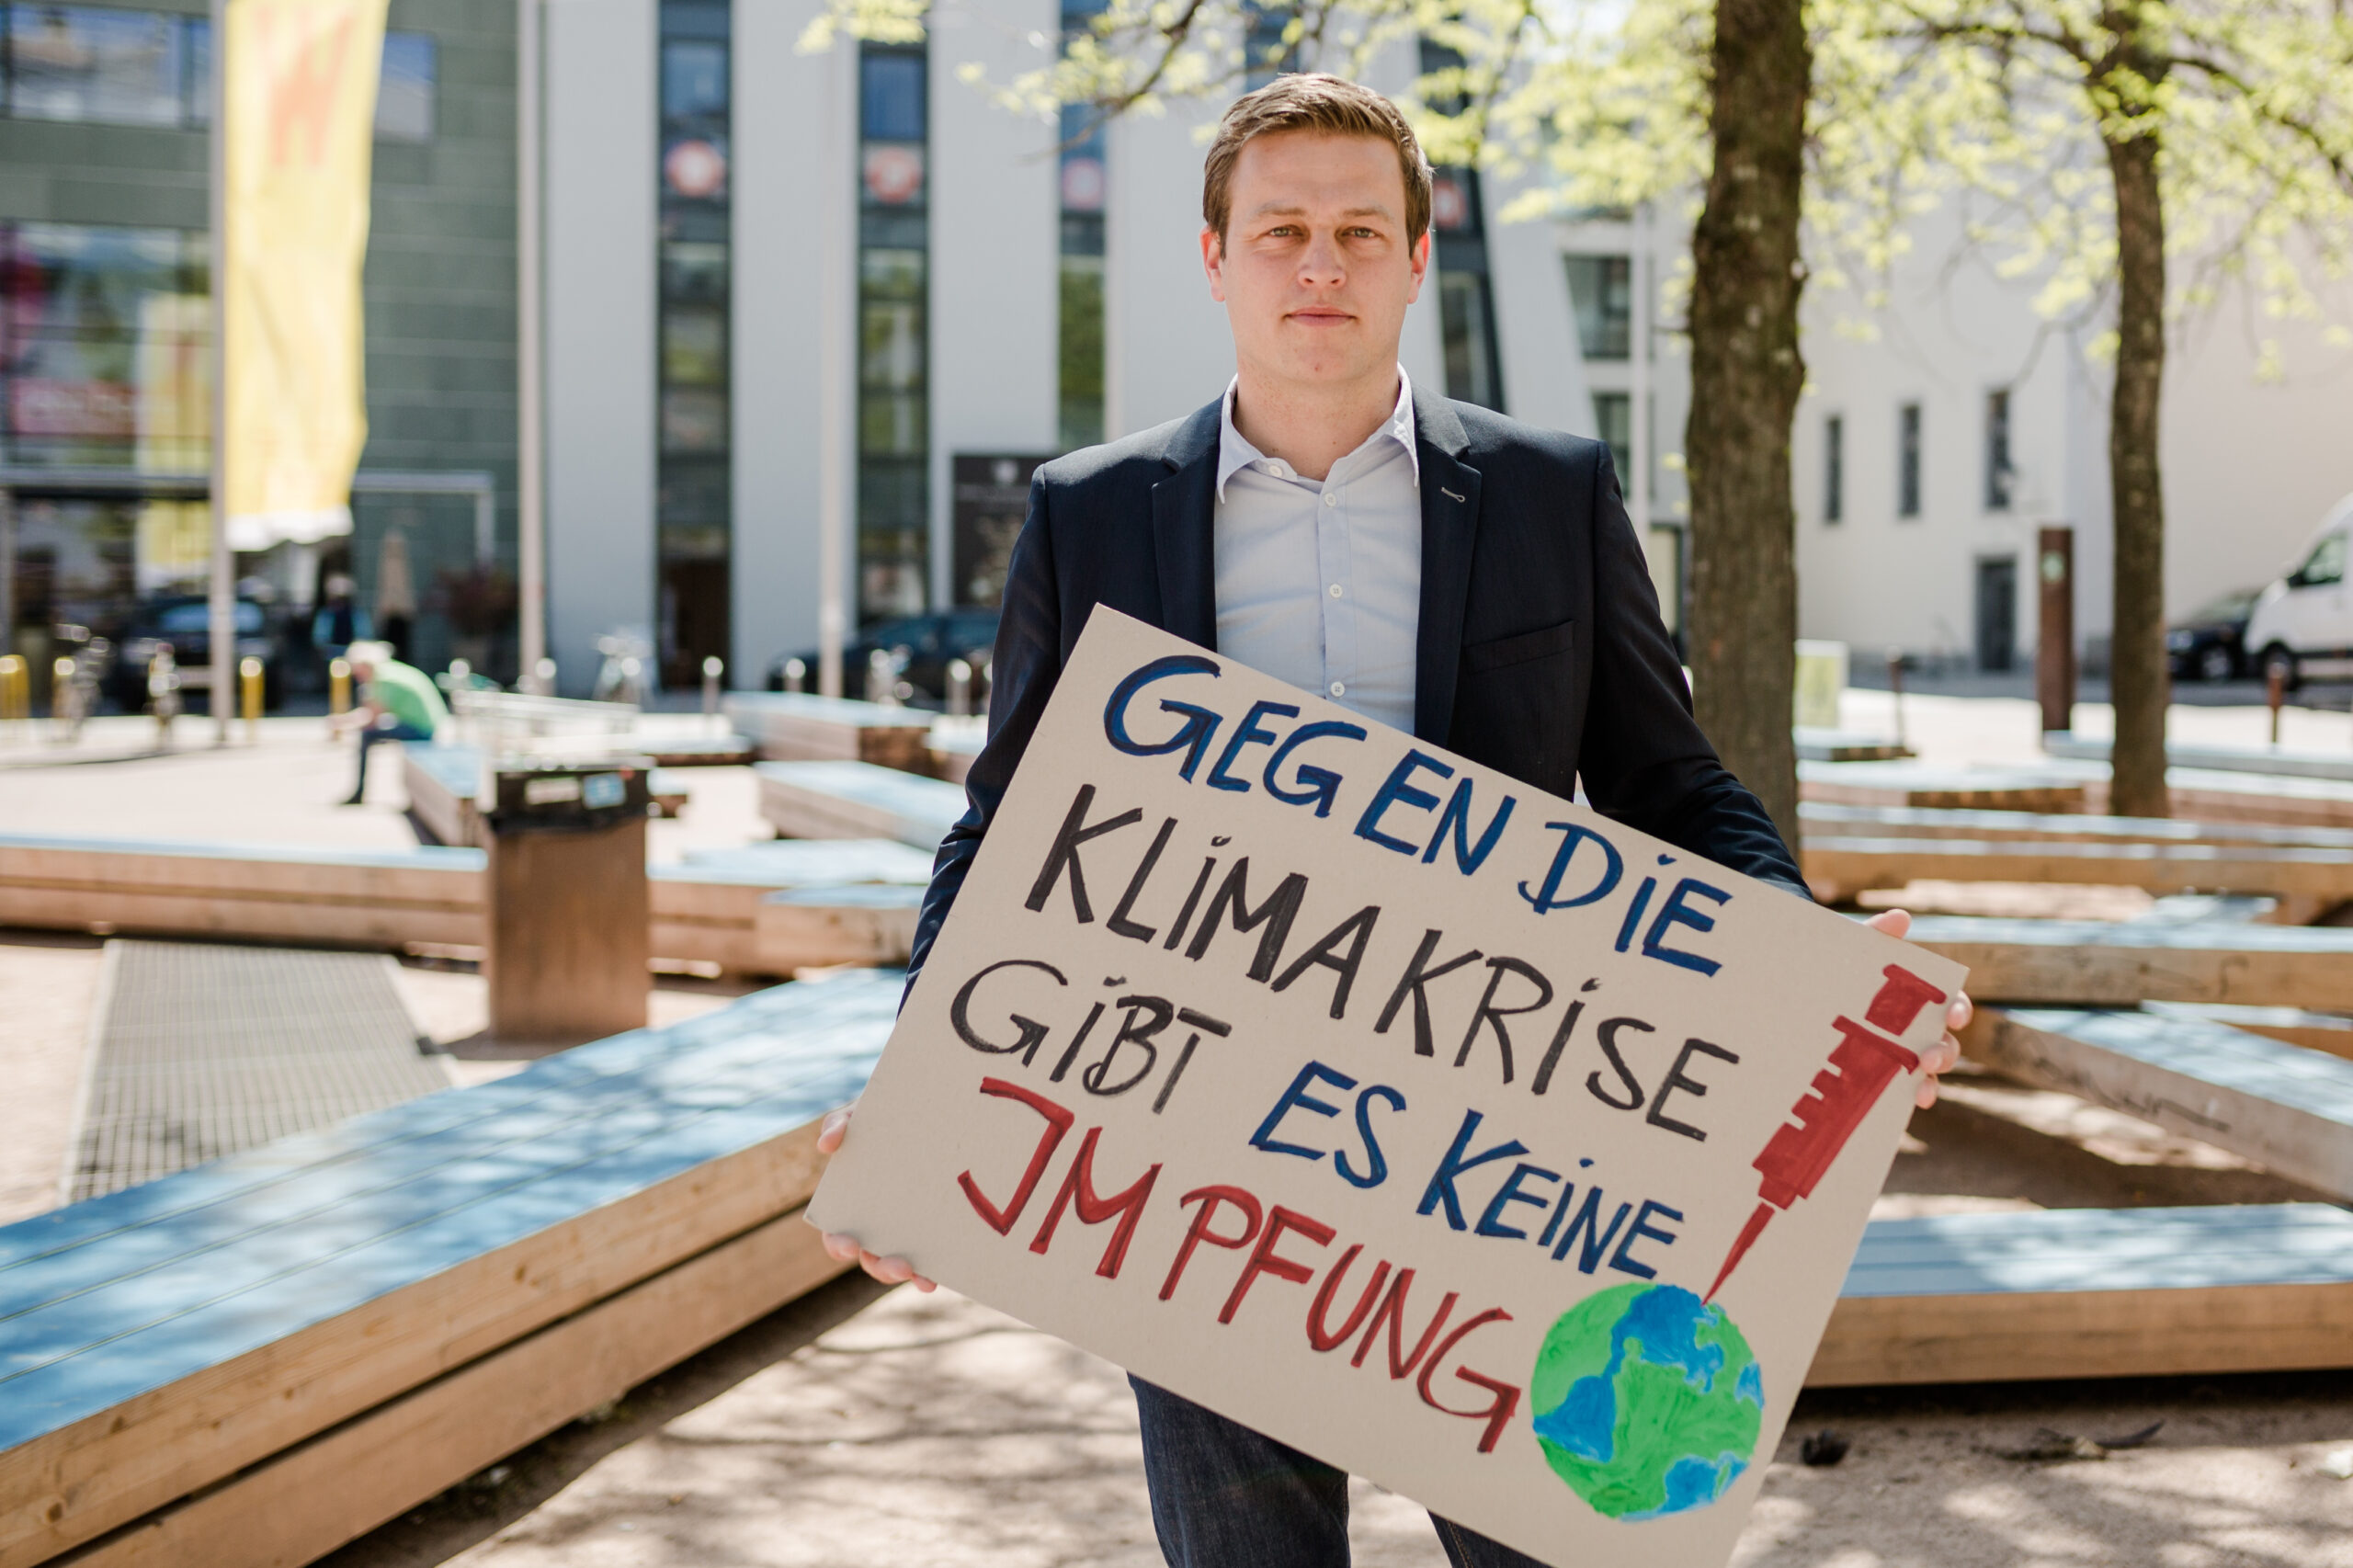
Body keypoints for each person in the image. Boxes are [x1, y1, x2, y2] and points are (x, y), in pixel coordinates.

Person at [816, 74, 1971, 1568]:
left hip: (1495, 1160)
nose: (1321, 263)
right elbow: (1012, 828)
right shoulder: (1090, 515)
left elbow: (1666, 779)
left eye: (1362, 231)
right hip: (1200, 1150)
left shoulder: (1553, 493)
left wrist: (1806, 968)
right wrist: (925, 1067)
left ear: (1420, 258)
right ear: (1214, 255)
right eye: (1282, 227)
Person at [328, 641, 447, 806]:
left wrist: (342, 723)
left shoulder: (383, 679)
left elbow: (371, 718)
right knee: (370, 733)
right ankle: (360, 792)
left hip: (422, 729)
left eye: (357, 670)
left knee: (367, 735)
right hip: (426, 723)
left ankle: (359, 792)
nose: (356, 676)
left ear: (364, 665)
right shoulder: (389, 671)